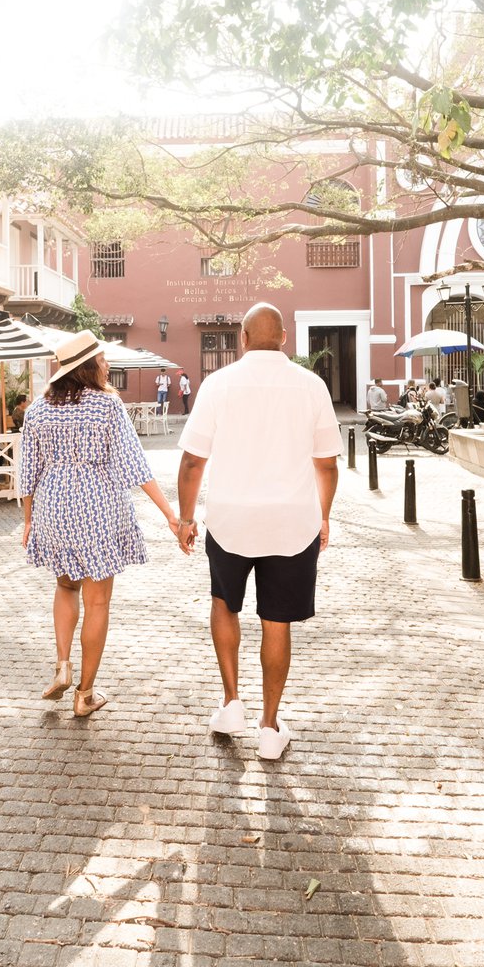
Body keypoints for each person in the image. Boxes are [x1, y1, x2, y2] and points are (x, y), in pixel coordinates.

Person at [175, 303, 342, 760]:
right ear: (285, 338)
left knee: (224, 605)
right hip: (292, 522)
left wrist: (186, 518)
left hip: (231, 519)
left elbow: (192, 461)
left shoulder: (218, 384)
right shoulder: (312, 386)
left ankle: (231, 703)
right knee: (277, 621)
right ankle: (270, 727)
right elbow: (327, 464)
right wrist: (323, 514)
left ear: (243, 339)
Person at [20, 330, 182, 717]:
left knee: (64, 585)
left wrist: (28, 521)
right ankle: (85, 694)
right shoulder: (108, 406)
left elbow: (27, 472)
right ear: (90, 366)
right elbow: (134, 465)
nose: (108, 365)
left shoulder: (38, 410)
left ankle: (62, 665)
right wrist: (170, 514)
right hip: (97, 505)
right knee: (97, 602)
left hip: (53, 506)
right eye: (103, 359)